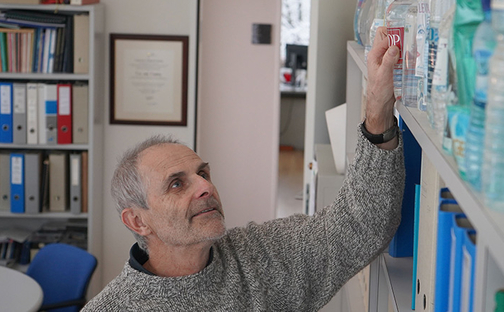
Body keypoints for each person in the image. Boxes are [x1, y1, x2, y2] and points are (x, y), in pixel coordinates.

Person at [82, 27, 405, 311]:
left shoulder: (260, 258)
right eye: (177, 185)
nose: (205, 188)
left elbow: (361, 225)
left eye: (203, 174)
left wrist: (377, 112)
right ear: (137, 220)